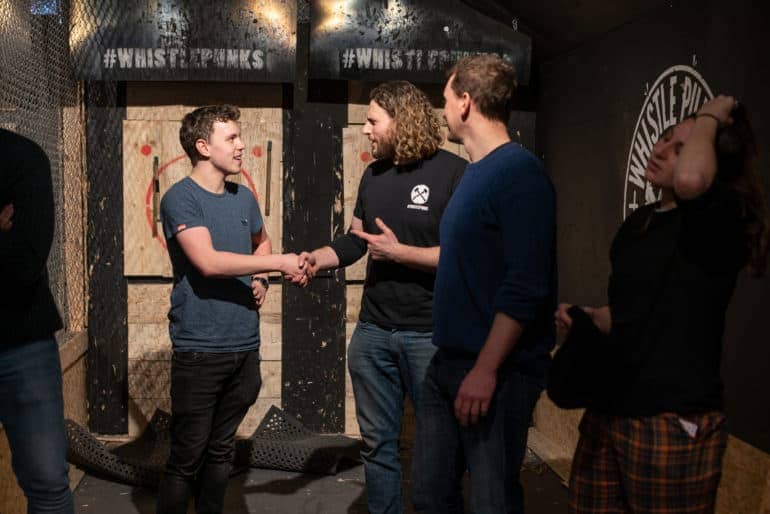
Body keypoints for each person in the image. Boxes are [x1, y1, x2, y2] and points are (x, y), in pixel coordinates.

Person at [555, 96, 768, 514]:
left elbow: (691, 183)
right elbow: (633, 311)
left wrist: (710, 114)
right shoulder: (643, 221)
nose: (660, 151)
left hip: (670, 420)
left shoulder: (721, 216)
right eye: (666, 139)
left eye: (681, 149)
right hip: (611, 407)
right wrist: (591, 318)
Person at [294, 81, 467, 514]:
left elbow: (464, 258)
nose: (366, 129)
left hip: (429, 336)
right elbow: (357, 241)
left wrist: (400, 252)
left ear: (400, 119)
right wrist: (318, 258)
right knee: (377, 447)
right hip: (373, 334)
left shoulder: (453, 173)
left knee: (437, 451)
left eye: (373, 120)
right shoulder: (374, 174)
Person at [411, 55, 557, 514]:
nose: (444, 110)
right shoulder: (474, 173)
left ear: (467, 103)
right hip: (449, 363)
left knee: (492, 501)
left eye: (447, 99)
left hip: (497, 373)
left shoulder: (520, 174)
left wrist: (487, 369)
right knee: (431, 497)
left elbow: (525, 284)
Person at [156, 104, 306, 514]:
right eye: (232, 138)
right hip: (200, 349)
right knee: (186, 460)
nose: (242, 146)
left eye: (240, 137)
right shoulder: (180, 199)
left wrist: (262, 278)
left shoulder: (243, 198)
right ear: (203, 147)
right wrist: (276, 265)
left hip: (244, 346)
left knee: (221, 453)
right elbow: (209, 262)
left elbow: (262, 240)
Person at [0, 128, 73, 513]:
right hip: (23, 341)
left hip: (21, 344)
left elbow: (23, 265)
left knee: (46, 483)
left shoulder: (21, 157)